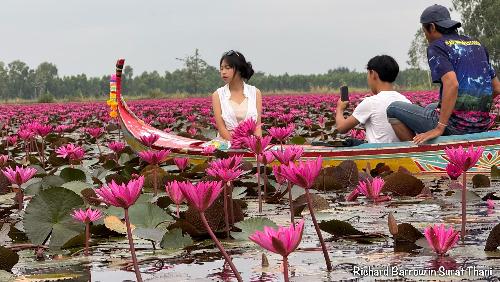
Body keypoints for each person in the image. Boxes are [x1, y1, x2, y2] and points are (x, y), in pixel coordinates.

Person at [387, 4, 500, 144]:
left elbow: (452, 84)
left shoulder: (437, 46)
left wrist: (440, 128)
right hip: (481, 125)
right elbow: (496, 88)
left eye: (424, 31)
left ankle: (417, 151)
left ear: (432, 27)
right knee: (430, 107)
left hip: (454, 127)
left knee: (393, 108)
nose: (426, 36)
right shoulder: (477, 45)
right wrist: (474, 110)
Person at [335, 55, 412, 143]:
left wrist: (339, 108)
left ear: (373, 74)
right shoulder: (406, 101)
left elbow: (341, 128)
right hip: (401, 153)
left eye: (368, 74)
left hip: (378, 154)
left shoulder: (370, 102)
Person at [212, 50, 263, 141]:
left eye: (227, 68)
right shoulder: (217, 95)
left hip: (250, 146)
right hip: (226, 146)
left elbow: (258, 126)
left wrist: (258, 148)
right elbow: (221, 128)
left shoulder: (256, 93)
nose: (223, 72)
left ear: (239, 69)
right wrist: (237, 145)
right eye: (221, 68)